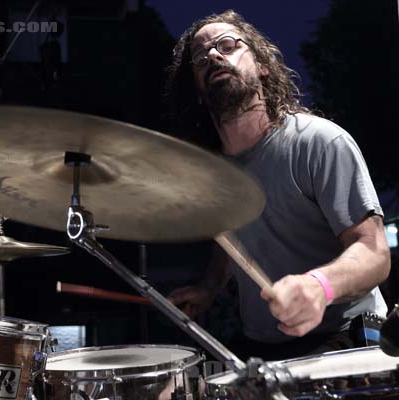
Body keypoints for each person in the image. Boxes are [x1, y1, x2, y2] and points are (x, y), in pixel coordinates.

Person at [165, 10, 390, 361]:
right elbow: (234, 242)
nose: (213, 56)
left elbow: (375, 253)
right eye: (200, 56)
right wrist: (209, 287)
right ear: (195, 87)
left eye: (227, 45)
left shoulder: (319, 142)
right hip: (263, 346)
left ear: (262, 65)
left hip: (345, 335)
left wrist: (319, 286)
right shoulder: (215, 172)